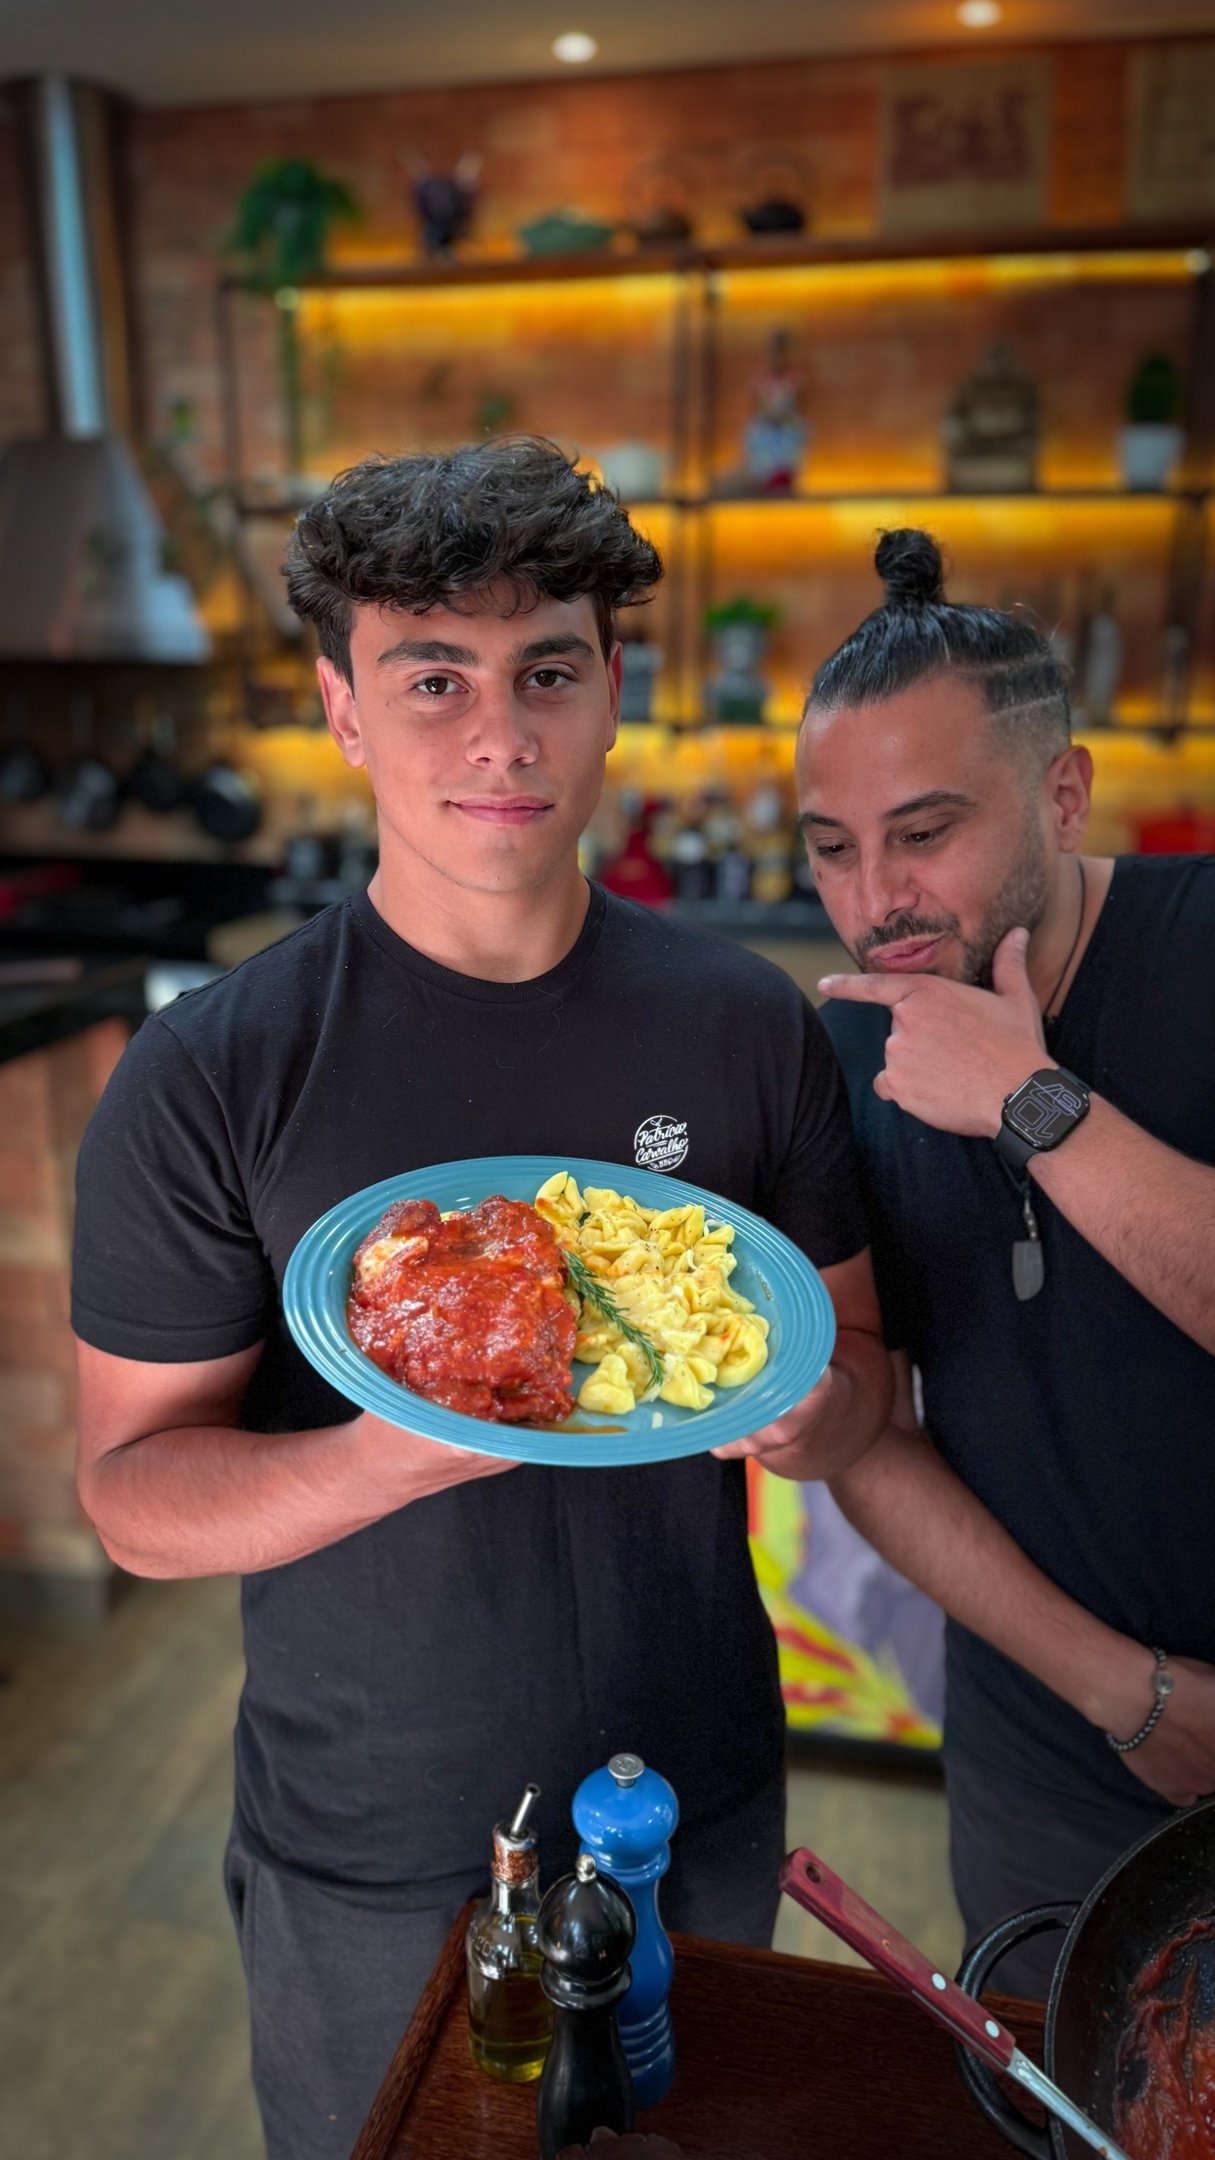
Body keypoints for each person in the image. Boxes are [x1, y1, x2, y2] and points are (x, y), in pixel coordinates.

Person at [70, 438, 891, 2160]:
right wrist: (389, 1454)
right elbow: (132, 1498)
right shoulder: (212, 1072)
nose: (501, 734)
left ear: (615, 696)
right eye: (433, 678)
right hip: (372, 1843)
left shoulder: (748, 1025)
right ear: (344, 711)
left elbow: (856, 1389)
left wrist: (814, 1411)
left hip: (693, 1797)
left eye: (549, 673)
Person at [796, 527, 1215, 2000]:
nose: (878, 904)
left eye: (925, 833)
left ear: (1064, 794)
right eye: (832, 848)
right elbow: (875, 1439)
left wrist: (1034, 1106)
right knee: (1062, 2089)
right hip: (1047, 1750)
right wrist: (1122, 1692)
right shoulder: (849, 1046)